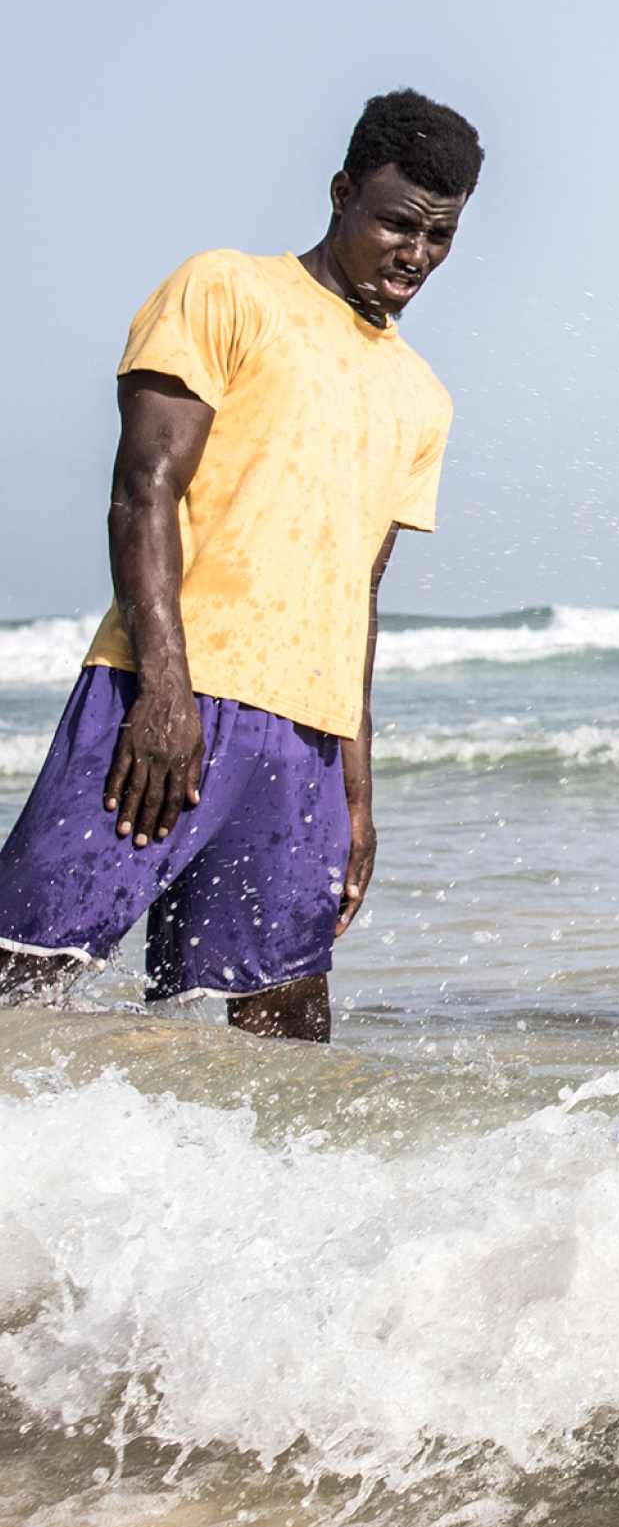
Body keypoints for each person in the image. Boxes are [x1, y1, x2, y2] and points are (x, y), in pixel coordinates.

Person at [0, 90, 480, 1041]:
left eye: (440, 236)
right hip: (163, 697)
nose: (414, 255)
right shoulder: (227, 290)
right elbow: (144, 489)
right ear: (342, 192)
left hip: (304, 742)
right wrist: (165, 696)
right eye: (394, 222)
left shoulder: (423, 396)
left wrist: (355, 792)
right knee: (25, 973)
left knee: (282, 1030)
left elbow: (360, 594)